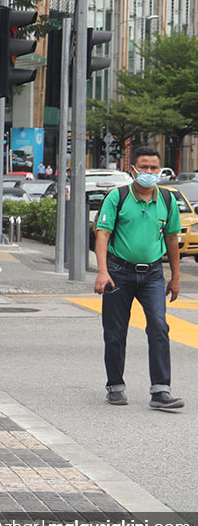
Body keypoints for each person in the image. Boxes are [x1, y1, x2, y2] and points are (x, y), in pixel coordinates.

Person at [93, 147, 183, 410]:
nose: (149, 173)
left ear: (160, 170)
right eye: (143, 167)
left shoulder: (167, 199)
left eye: (154, 168)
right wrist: (102, 271)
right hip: (118, 272)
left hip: (154, 274)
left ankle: (161, 390)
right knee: (115, 332)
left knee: (159, 327)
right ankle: (115, 386)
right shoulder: (117, 197)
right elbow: (102, 235)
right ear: (132, 170)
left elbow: (171, 239)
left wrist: (176, 277)